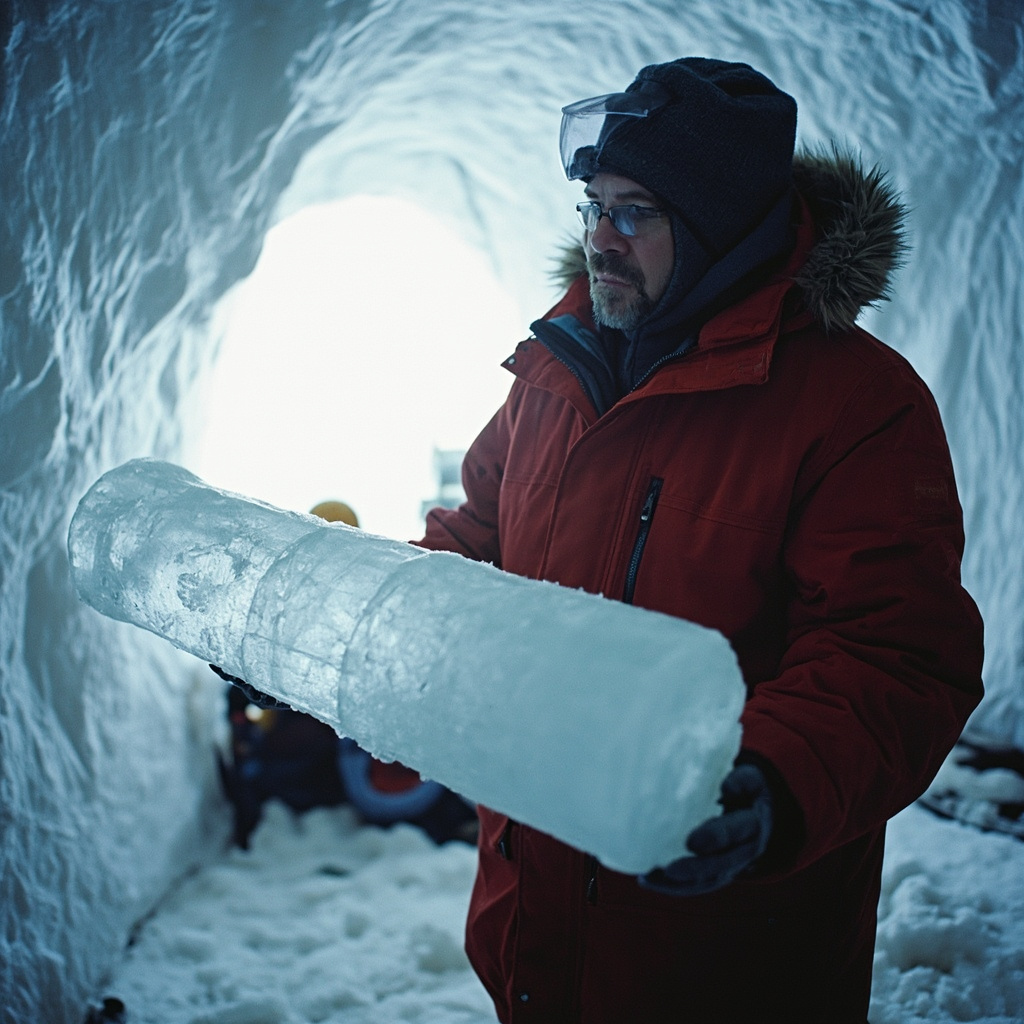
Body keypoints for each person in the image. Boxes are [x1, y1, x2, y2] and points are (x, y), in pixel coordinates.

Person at [416, 57, 984, 1023]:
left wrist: (772, 781)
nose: (599, 238)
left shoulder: (856, 407)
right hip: (536, 929)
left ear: (722, 227)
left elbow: (896, 654)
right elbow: (472, 548)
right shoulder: (553, 376)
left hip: (720, 951)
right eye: (594, 205)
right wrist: (335, 638)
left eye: (635, 212)